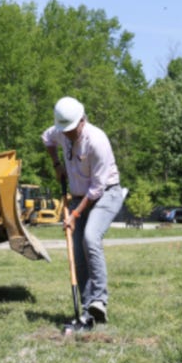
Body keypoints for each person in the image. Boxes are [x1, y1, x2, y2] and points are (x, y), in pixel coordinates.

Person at [42, 96, 126, 324]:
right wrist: (56, 164)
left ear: (82, 120)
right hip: (80, 196)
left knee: (90, 238)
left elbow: (97, 188)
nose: (67, 134)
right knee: (78, 254)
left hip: (106, 194)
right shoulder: (60, 130)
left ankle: (100, 301)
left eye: (71, 129)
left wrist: (75, 214)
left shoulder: (97, 141)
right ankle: (89, 310)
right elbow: (47, 138)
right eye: (64, 130)